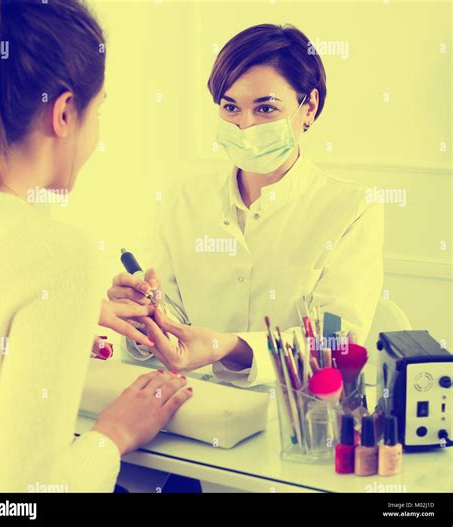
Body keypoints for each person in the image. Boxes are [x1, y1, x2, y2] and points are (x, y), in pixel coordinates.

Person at [0, 0, 192, 493]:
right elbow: (19, 501)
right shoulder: (56, 252)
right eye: (99, 112)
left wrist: (80, 309)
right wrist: (113, 435)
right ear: (65, 112)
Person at [108, 24, 384, 387]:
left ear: (308, 108)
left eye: (266, 108)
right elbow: (167, 324)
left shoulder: (352, 209)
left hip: (291, 417)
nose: (245, 125)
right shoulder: (181, 201)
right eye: (231, 107)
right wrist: (141, 318)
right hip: (193, 405)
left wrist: (228, 347)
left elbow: (334, 344)